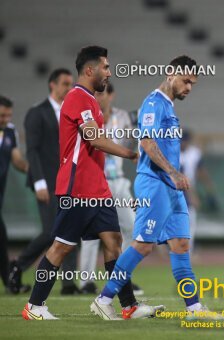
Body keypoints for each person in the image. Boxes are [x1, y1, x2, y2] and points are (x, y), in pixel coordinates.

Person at [22, 46, 163, 320]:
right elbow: (94, 139)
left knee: (113, 241)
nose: (109, 73)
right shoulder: (77, 98)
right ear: (90, 70)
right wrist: (132, 153)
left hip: (97, 187)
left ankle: (128, 305)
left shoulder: (90, 101)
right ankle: (34, 306)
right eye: (106, 67)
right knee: (61, 247)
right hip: (78, 187)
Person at [92, 55, 221, 320]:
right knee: (143, 245)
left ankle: (194, 308)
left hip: (171, 188)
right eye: (186, 81)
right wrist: (174, 173)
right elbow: (148, 145)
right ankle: (103, 299)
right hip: (155, 183)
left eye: (193, 84)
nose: (188, 87)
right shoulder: (153, 103)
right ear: (170, 74)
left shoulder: (169, 107)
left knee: (182, 244)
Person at [9, 69, 81, 295]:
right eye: (65, 84)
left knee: (72, 229)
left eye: (71, 84)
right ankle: (18, 265)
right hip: (47, 182)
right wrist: (39, 182)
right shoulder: (37, 113)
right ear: (52, 85)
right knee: (52, 230)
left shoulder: (72, 112)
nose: (69, 88)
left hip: (70, 181)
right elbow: (32, 150)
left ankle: (68, 284)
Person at [79, 82, 143, 295]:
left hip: (118, 180)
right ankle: (86, 281)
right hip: (94, 181)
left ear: (112, 95)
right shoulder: (88, 116)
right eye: (96, 93)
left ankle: (122, 278)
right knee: (91, 233)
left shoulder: (122, 117)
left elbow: (133, 142)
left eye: (102, 93)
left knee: (131, 228)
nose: (98, 97)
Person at [0, 96, 28, 292]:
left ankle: (9, 282)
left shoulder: (10, 132)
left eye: (9, 115)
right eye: (2, 115)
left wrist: (32, 171)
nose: (6, 119)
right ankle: (10, 282)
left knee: (1, 238)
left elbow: (17, 160)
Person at [179, 129, 219, 252]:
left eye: (184, 141)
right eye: (181, 141)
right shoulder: (172, 152)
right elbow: (181, 177)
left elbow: (200, 171)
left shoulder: (194, 153)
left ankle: (187, 251)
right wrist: (193, 196)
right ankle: (170, 250)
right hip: (173, 190)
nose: (182, 143)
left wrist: (209, 187)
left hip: (188, 188)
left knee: (190, 221)